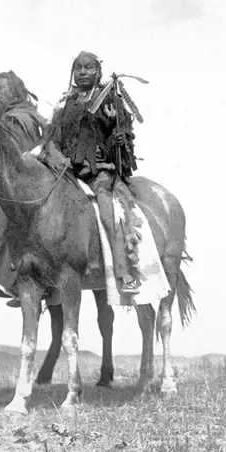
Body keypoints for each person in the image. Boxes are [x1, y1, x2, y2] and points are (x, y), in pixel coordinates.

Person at [44, 51, 142, 294]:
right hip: (68, 170)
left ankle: (123, 272)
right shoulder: (64, 104)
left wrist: (120, 140)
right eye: (78, 67)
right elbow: (51, 139)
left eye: (88, 67)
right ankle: (40, 276)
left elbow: (125, 133)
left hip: (100, 171)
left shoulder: (109, 99)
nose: (83, 72)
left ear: (98, 71)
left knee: (108, 214)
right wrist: (57, 157)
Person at [0, 71, 46, 306]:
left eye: (2, 88)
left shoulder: (21, 117)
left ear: (16, 91)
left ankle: (18, 275)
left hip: (23, 181)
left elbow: (17, 153)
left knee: (0, 210)